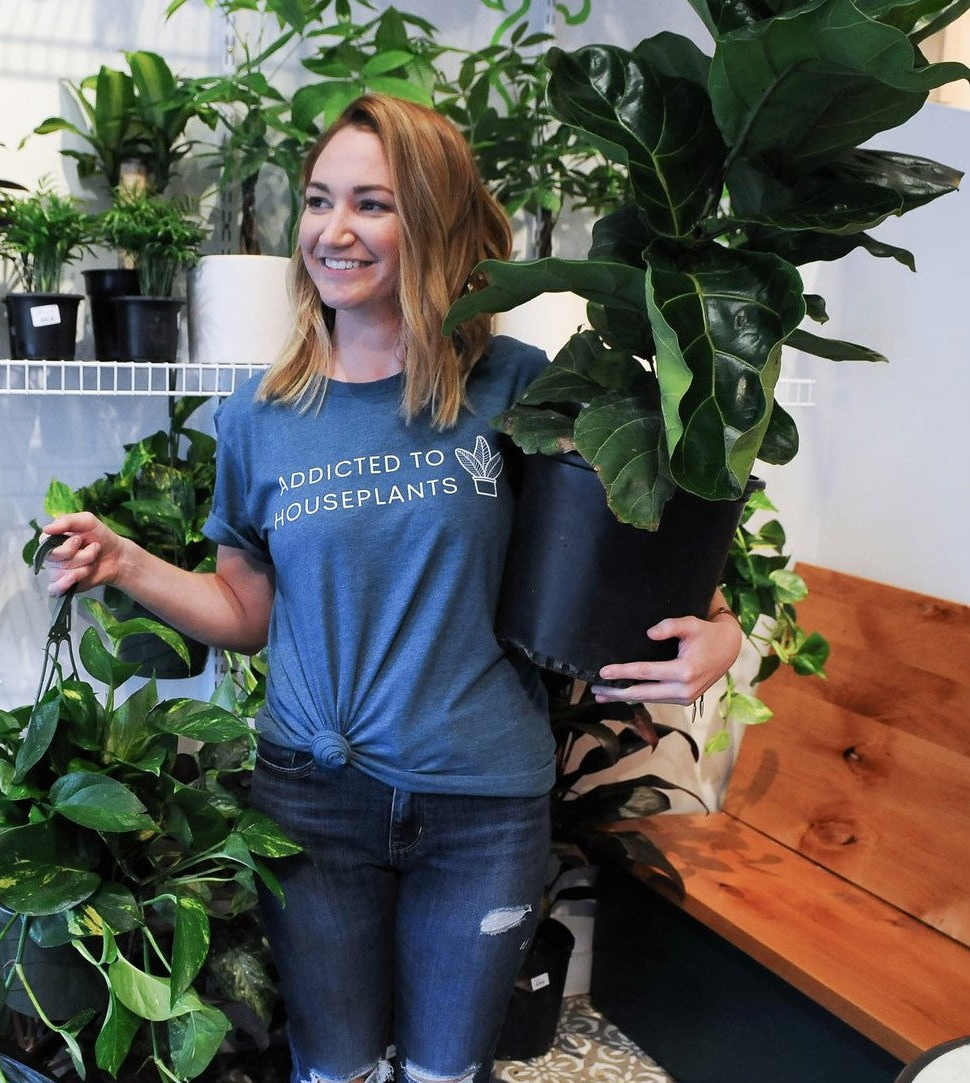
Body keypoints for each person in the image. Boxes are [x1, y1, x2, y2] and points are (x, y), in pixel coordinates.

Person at [41, 94, 743, 1083]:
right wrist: (127, 562)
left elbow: (628, 533)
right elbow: (247, 614)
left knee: (445, 1073)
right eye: (319, 201)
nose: (334, 230)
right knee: (333, 1068)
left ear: (433, 219)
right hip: (312, 804)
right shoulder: (260, 416)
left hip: (483, 806)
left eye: (372, 203)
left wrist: (721, 630)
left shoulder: (516, 387)